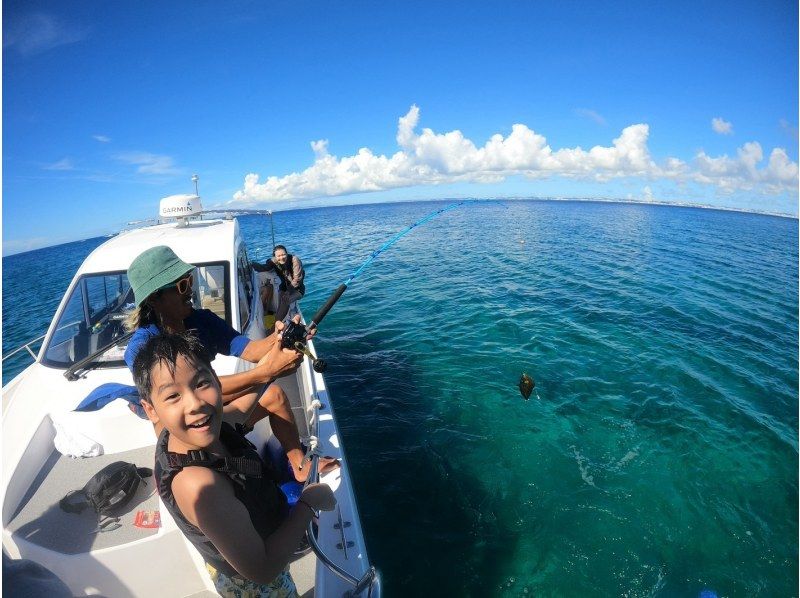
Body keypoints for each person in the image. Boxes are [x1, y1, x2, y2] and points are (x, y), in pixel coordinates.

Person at [132, 332, 336, 596]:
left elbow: (243, 407)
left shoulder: (190, 431)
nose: (196, 404)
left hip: (240, 544)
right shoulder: (200, 487)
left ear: (217, 382)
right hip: (256, 585)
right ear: (150, 409)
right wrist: (309, 502)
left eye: (202, 383)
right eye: (173, 396)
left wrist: (271, 367)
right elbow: (262, 570)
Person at [124, 245, 336, 482]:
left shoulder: (202, 320)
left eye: (190, 281)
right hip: (184, 428)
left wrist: (284, 335)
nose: (190, 291)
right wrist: (265, 372)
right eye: (182, 286)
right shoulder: (144, 349)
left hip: (214, 404)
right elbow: (190, 394)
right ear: (155, 298)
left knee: (274, 396)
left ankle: (299, 466)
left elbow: (251, 350)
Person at [253, 245, 305, 322]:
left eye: (283, 254)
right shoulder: (273, 261)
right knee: (280, 299)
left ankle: (276, 324)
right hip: (283, 287)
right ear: (275, 257)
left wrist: (288, 292)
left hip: (297, 290)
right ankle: (281, 320)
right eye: (278, 256)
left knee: (285, 300)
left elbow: (297, 280)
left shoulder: (295, 260)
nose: (281, 257)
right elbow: (264, 268)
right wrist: (251, 264)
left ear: (287, 253)